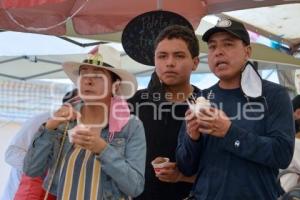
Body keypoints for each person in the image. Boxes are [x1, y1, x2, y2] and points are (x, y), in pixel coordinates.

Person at [176, 18, 295, 200]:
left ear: (247, 52)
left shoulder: (273, 95)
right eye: (213, 47)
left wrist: (229, 132)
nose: (219, 52)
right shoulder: (200, 98)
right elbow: (185, 167)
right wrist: (193, 138)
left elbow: (282, 155)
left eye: (228, 44)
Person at [23, 45, 146, 199]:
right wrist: (48, 128)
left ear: (115, 86)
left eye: (98, 75)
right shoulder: (64, 120)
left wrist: (103, 149)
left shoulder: (131, 126)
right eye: (84, 74)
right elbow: (31, 170)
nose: (88, 80)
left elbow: (135, 187)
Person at [128, 25, 201, 200]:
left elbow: (223, 170)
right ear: (155, 61)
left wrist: (184, 176)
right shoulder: (135, 103)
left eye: (179, 55)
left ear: (195, 63)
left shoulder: (206, 105)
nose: (169, 63)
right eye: (162, 56)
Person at [1, 89, 78, 200]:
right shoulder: (44, 119)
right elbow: (11, 154)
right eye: (80, 101)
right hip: (23, 192)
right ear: (67, 105)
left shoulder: (84, 128)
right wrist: (42, 165)